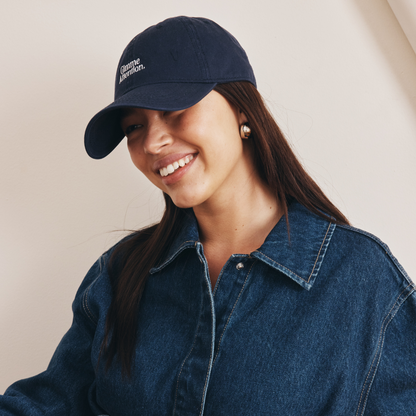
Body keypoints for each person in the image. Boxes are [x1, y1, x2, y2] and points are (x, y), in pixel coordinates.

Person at [1, 15, 415, 416]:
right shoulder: (119, 274)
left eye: (174, 109)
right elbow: (44, 404)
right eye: (133, 128)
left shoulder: (360, 281)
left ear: (242, 110)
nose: (153, 142)